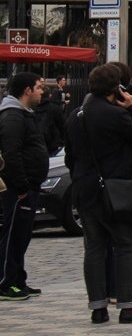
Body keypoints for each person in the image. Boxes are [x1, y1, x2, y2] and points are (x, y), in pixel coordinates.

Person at [65, 63, 132, 324]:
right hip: (116, 189)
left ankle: (98, 307)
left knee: (94, 248)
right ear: (117, 89)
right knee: (125, 245)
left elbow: (70, 157)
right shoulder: (117, 115)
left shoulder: (75, 116)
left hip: (85, 189)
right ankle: (128, 306)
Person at [0, 72, 49, 302]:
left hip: (29, 184)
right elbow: (11, 154)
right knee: (12, 235)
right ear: (27, 90)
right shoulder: (12, 116)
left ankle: (18, 279)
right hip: (19, 187)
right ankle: (5, 283)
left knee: (22, 235)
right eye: (39, 87)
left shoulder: (25, 115)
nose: (42, 91)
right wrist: (20, 186)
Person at [33, 76, 67, 157]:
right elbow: (63, 125)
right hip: (52, 143)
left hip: (37, 142)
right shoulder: (53, 108)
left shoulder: (32, 109)